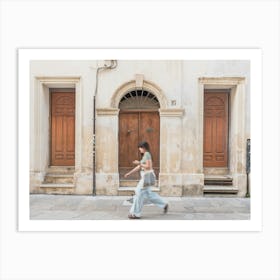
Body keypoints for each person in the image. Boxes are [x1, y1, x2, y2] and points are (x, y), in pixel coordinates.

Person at [124, 141, 168, 219]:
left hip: (146, 177)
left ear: (144, 147)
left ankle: (135, 213)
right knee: (148, 194)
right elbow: (139, 167)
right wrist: (129, 173)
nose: (139, 150)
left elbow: (148, 166)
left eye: (140, 148)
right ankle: (164, 204)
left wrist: (139, 163)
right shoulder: (145, 155)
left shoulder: (147, 154)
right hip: (146, 177)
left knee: (139, 194)